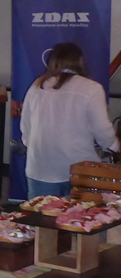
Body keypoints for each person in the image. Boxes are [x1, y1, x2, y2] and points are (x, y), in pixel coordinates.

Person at [21, 42, 119, 199]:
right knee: (84, 213)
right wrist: (114, 146)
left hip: (40, 167)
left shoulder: (37, 85)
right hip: (79, 167)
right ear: (80, 60)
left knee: (40, 212)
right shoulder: (91, 88)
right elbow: (102, 129)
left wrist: (36, 148)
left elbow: (26, 127)